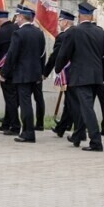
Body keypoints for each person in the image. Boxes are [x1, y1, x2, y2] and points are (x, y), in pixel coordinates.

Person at [56, 2, 104, 152]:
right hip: (97, 76)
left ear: (80, 15)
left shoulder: (74, 32)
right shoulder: (100, 32)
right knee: (85, 107)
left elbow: (64, 53)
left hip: (80, 77)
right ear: (91, 16)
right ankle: (78, 135)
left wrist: (58, 68)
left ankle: (96, 142)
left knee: (86, 109)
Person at [2, 6, 46, 142]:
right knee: (29, 102)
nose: (16, 19)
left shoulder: (18, 34)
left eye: (17, 16)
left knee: (25, 103)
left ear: (21, 17)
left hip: (22, 74)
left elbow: (11, 55)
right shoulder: (39, 33)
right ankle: (28, 130)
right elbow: (43, 54)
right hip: (35, 73)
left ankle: (28, 132)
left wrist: (4, 73)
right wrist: (41, 72)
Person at [47, 10, 76, 139]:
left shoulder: (63, 36)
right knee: (71, 102)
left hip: (68, 73)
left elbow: (56, 57)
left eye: (60, 21)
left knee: (70, 102)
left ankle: (64, 127)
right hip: (77, 73)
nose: (58, 23)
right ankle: (64, 126)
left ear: (65, 22)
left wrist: (47, 72)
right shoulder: (78, 33)